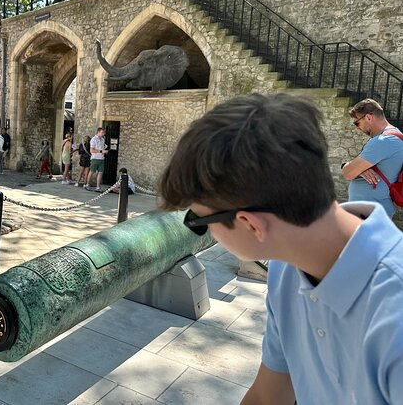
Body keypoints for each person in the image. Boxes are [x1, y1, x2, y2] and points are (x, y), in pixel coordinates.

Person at [158, 93, 403, 404]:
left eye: (199, 221)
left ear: (251, 224)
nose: (202, 230)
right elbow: (269, 394)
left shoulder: (394, 316)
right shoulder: (288, 268)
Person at [341, 98, 403, 218]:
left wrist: (351, 167)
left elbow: (349, 173)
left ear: (369, 117)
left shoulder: (383, 141)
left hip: (370, 213)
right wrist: (353, 167)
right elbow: (352, 167)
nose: (357, 127)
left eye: (357, 123)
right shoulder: (392, 136)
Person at [84, 127, 107, 192]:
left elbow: (102, 148)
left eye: (104, 132)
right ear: (98, 132)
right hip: (95, 158)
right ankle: (87, 184)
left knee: (100, 173)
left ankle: (98, 187)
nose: (103, 134)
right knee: (92, 171)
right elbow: (91, 150)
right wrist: (101, 151)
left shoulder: (102, 139)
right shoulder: (94, 139)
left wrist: (104, 151)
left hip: (101, 158)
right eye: (102, 132)